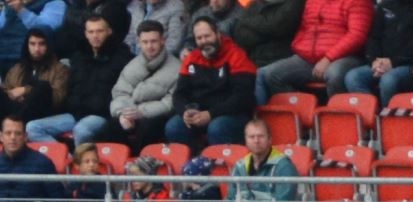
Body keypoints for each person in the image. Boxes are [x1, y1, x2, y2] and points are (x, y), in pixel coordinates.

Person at [28, 13, 127, 145]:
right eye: (91, 32)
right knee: (33, 128)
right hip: (74, 114)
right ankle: (66, 156)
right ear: (86, 34)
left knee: (81, 130)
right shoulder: (78, 58)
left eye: (99, 31)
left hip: (101, 115)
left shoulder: (121, 58)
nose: (95, 36)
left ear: (109, 31)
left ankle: (83, 157)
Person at [255, 0, 371, 102]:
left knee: (334, 73)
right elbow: (304, 28)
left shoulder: (358, 1)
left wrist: (328, 58)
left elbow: (357, 35)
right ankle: (299, 112)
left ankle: (339, 114)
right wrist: (299, 46)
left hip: (345, 57)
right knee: (272, 74)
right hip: (308, 57)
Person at [199, 118, 296, 202]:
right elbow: (230, 200)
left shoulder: (283, 166)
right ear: (246, 140)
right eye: (252, 137)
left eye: (261, 136)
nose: (256, 141)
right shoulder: (240, 165)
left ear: (270, 139)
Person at [164, 17, 252, 146]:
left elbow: (243, 97)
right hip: (200, 114)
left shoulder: (236, 55)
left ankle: (219, 159)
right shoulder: (191, 59)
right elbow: (179, 94)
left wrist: (211, 114)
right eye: (199, 38)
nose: (204, 41)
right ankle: (192, 157)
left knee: (216, 127)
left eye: (207, 36)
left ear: (217, 34)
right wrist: (185, 112)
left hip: (233, 114)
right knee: (174, 126)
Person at [342, 0, 413, 105]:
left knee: (388, 80)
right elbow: (373, 37)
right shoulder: (384, 5)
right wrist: (375, 61)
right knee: (353, 77)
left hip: (410, 65)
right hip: (381, 63)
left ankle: (389, 113)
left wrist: (393, 62)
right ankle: (372, 112)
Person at [101, 19, 176, 149]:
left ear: (162, 41)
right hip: (131, 113)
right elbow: (120, 93)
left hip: (157, 117)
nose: (149, 46)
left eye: (153, 41)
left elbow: (170, 103)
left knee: (148, 128)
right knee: (109, 127)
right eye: (145, 42)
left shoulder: (176, 68)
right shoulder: (132, 65)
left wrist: (141, 112)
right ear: (139, 42)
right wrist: (123, 114)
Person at [21, 140, 105, 202]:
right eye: (87, 161)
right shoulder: (72, 185)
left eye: (95, 161)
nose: (91, 165)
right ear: (77, 166)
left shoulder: (104, 186)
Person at [0, 113, 59, 202]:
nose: (13, 137)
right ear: (1, 136)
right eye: (8, 133)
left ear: (25, 136)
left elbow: (58, 200)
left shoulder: (42, 162)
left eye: (18, 133)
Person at [1, 29, 68, 121]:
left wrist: (26, 91)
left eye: (42, 44)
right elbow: (5, 89)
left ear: (49, 45)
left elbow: (58, 98)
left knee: (43, 86)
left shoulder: (60, 69)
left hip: (42, 114)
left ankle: (17, 122)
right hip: (15, 108)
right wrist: (12, 95)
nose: (37, 49)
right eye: (32, 44)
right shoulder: (17, 68)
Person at [0, 0, 67, 77]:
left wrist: (21, 10)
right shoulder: (11, 4)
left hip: (29, 60)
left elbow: (44, 28)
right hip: (3, 55)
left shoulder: (55, 3)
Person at [228, 0, 301, 69]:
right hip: (253, 57)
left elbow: (276, 26)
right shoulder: (256, 3)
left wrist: (249, 21)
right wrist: (263, 28)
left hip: (276, 57)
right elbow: (240, 33)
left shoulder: (294, 2)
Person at [112, 155, 176, 202]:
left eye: (137, 175)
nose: (133, 180)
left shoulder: (161, 194)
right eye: (132, 176)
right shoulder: (133, 196)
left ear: (149, 175)